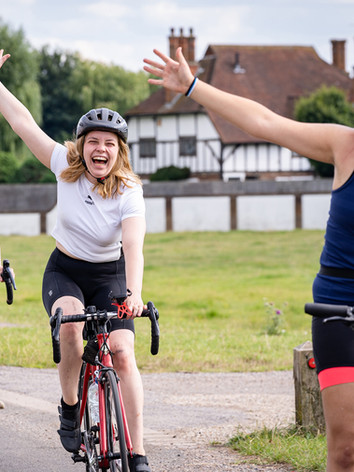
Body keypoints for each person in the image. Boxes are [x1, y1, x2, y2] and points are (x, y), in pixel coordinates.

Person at [144, 47, 354, 471]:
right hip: (338, 307)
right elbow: (266, 122)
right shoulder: (345, 145)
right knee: (346, 446)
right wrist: (192, 86)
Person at [0, 49, 151, 472]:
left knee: (122, 352)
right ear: (81, 147)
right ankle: (70, 407)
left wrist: (134, 294)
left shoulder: (129, 191)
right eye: (93, 142)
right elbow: (22, 121)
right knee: (71, 325)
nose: (99, 149)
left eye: (109, 144)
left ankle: (137, 453)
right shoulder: (63, 166)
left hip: (111, 272)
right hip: (65, 269)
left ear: (118, 152)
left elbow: (134, 244)